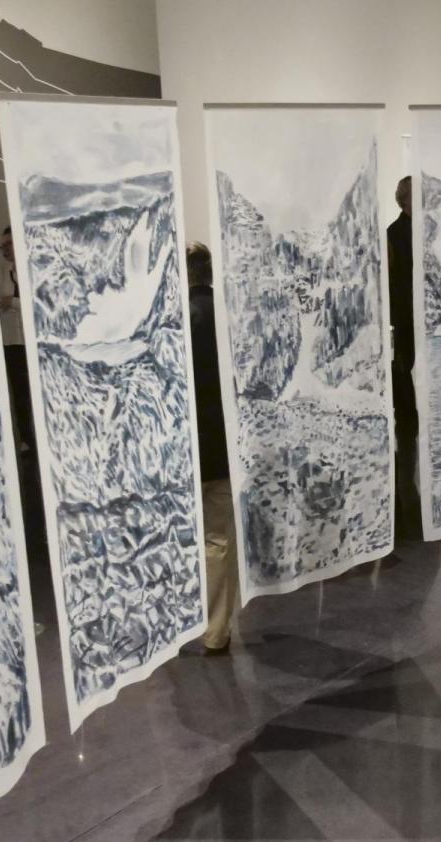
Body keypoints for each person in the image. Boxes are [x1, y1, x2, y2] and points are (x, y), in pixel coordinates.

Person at [186, 242, 237, 656]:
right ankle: (216, 630)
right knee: (218, 537)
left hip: (181, 444)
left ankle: (182, 623)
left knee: (183, 536)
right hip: (219, 441)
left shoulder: (172, 319)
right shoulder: (226, 312)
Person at [0, 226, 42, 537]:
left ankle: (38, 435)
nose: (6, 251)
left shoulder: (32, 270)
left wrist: (11, 301)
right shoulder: (2, 272)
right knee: (18, 393)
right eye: (3, 248)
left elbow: (33, 304)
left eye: (10, 245)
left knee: (32, 391)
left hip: (32, 343)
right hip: (11, 342)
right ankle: (28, 435)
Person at [386, 175, 421, 540]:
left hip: (421, 330)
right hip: (406, 332)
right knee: (407, 413)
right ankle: (405, 499)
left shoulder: (426, 233)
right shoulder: (394, 236)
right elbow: (395, 288)